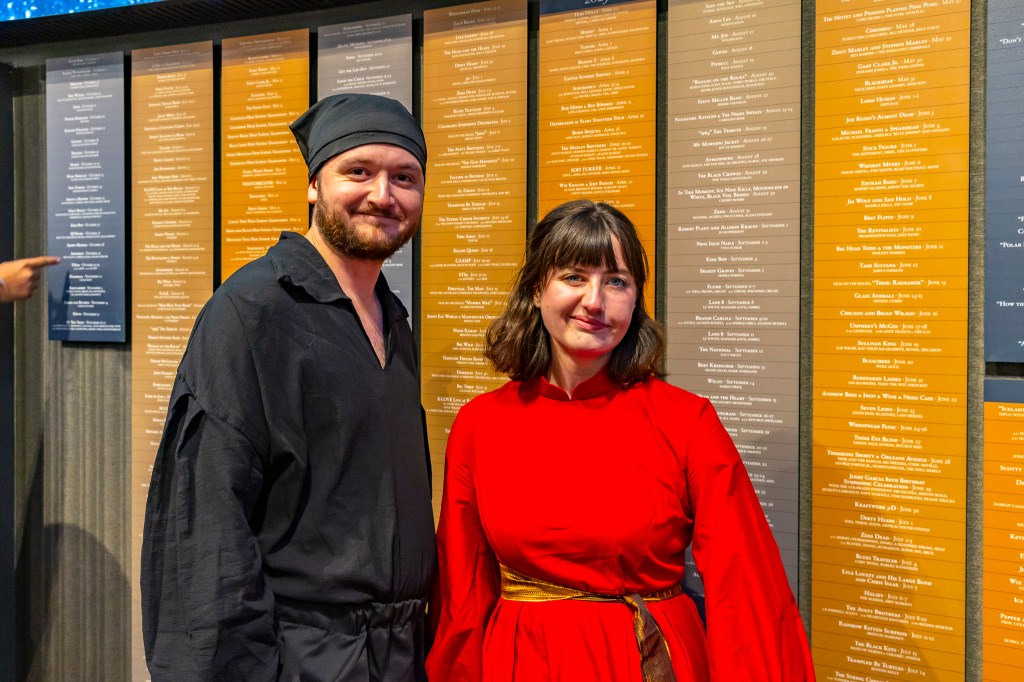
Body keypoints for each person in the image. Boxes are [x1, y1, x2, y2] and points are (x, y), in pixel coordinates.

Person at [426, 199, 815, 681]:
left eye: (616, 281)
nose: (595, 301)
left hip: (646, 660)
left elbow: (748, 589)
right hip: (522, 660)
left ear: (635, 299)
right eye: (574, 277)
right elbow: (461, 596)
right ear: (535, 290)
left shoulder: (685, 420)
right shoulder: (480, 424)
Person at [141, 93, 436, 682]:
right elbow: (208, 532)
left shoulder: (391, 318)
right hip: (302, 658)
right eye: (359, 171)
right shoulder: (252, 313)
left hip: (400, 657)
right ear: (313, 185)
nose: (383, 194)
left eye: (404, 177)